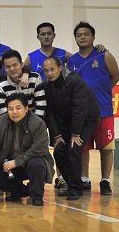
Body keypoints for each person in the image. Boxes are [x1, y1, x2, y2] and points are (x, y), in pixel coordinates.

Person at [0, 93, 54, 206]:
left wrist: (17, 162)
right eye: (11, 109)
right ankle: (22, 191)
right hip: (9, 163)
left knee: (36, 163)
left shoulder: (38, 123)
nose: (14, 112)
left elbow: (38, 149)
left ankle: (37, 196)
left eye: (18, 108)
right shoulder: (1, 121)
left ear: (26, 108)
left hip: (30, 162)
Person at [67, 21, 119, 195]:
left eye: (86, 34)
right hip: (82, 113)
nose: (82, 37)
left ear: (93, 37)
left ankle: (105, 181)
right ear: (75, 39)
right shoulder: (71, 61)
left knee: (107, 148)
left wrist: (102, 92)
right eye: (79, 35)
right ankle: (84, 179)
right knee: (83, 148)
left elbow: (115, 77)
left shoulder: (104, 55)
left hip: (103, 110)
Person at [41, 56, 100, 201]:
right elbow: (50, 113)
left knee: (74, 148)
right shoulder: (47, 86)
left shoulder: (74, 81)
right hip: (68, 121)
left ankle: (75, 189)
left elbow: (80, 109)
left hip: (87, 119)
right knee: (59, 150)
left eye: (52, 69)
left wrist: (75, 134)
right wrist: (57, 136)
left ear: (60, 68)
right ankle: (72, 184)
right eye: (46, 70)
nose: (49, 73)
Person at [0, 50, 45, 118]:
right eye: (8, 67)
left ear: (21, 65)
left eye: (15, 65)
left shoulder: (35, 78)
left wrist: (34, 123)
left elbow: (41, 106)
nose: (12, 69)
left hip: (33, 120)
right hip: (11, 122)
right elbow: (3, 113)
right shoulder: (0, 85)